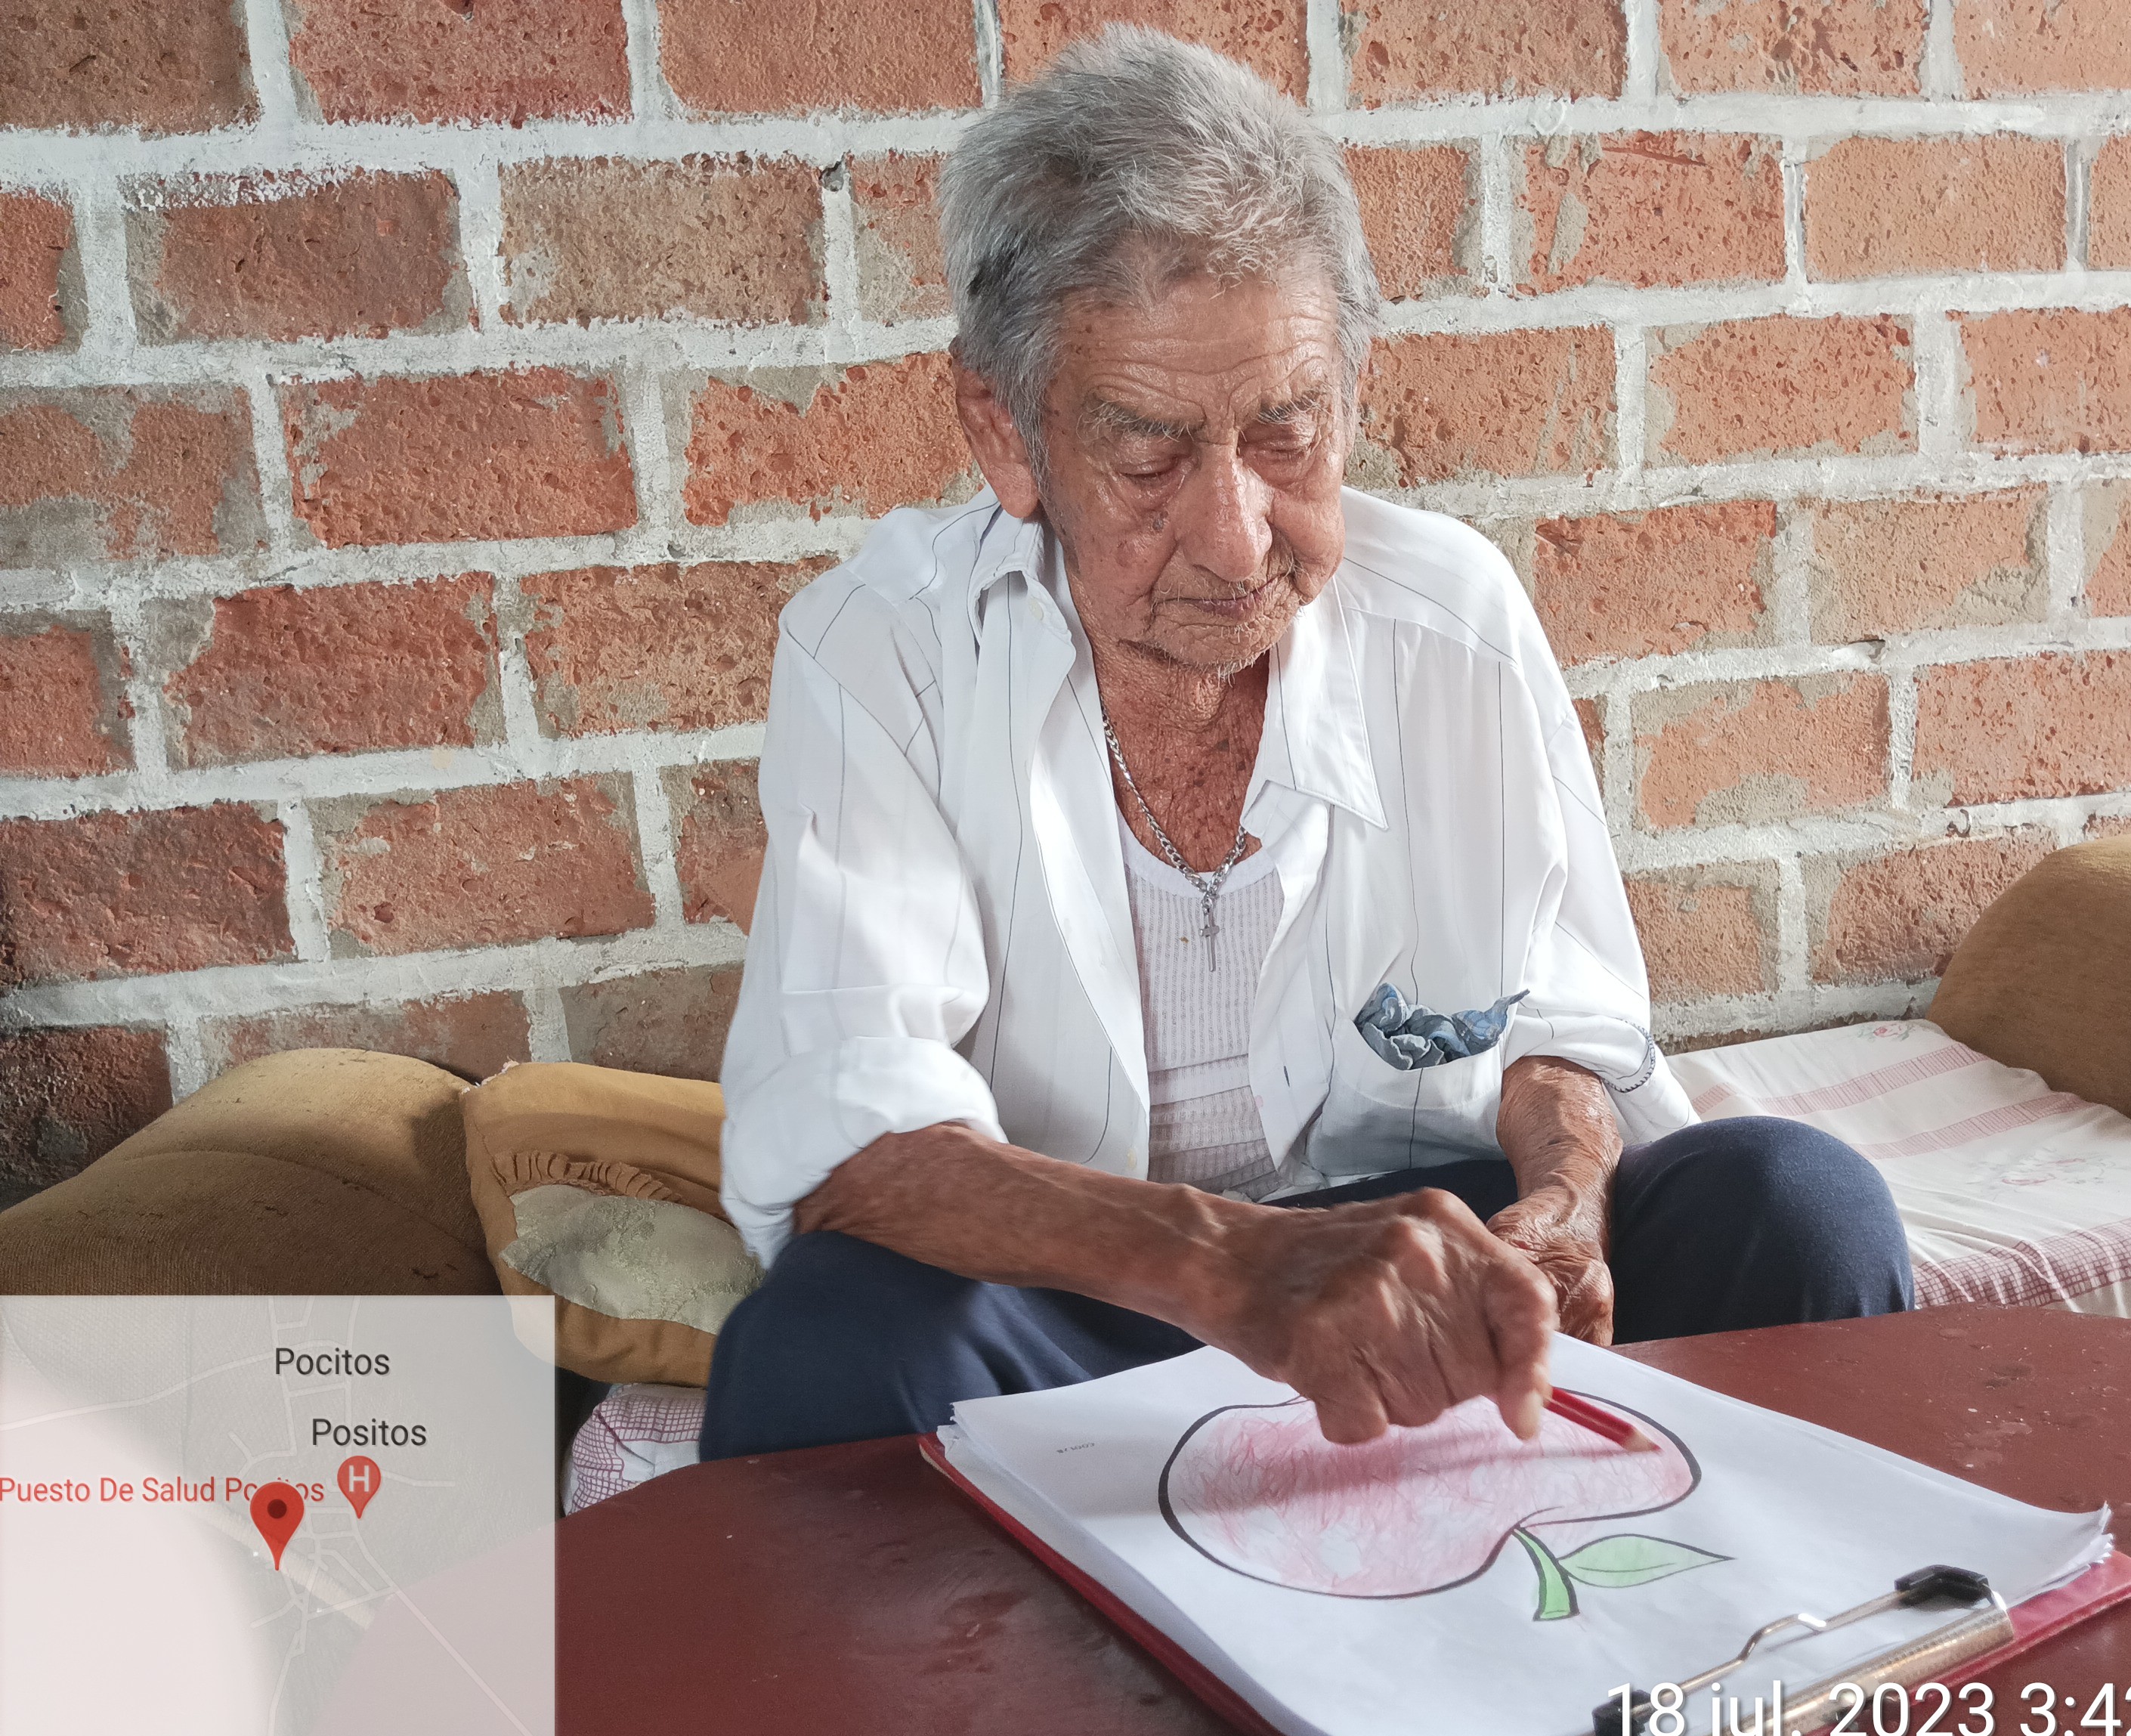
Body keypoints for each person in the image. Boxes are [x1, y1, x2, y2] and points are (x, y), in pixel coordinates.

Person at [700, 28, 1909, 1462]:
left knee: (1796, 1203)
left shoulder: (1452, 618)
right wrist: (1237, 1268)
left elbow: (1563, 1031)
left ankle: (1801, 1579)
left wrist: (1566, 1202)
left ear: (1353, 389)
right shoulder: (884, 646)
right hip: (1095, 1291)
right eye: (1149, 455)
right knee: (827, 1344)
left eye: (1288, 434)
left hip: (1421, 1267)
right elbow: (851, 1135)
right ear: (1004, 430)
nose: (1235, 537)